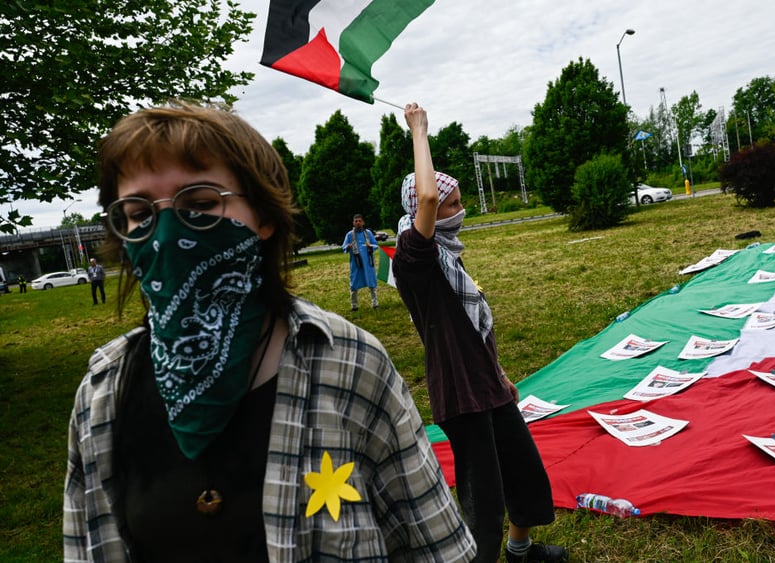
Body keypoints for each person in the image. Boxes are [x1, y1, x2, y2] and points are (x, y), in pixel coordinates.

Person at [63, 102, 476, 562]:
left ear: (263, 217)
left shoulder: (351, 364)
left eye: (200, 203)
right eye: (139, 213)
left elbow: (436, 548)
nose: (165, 234)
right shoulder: (102, 393)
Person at [392, 103, 567, 563]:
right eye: (453, 203)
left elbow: (473, 329)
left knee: (523, 471)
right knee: (483, 498)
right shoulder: (414, 256)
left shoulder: (449, 257)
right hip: (460, 392)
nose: (459, 208)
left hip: (486, 383)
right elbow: (426, 199)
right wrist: (419, 131)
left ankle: (521, 549)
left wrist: (500, 372)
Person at [342, 214, 379, 311]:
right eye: (356, 221)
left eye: (359, 221)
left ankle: (375, 303)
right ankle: (354, 305)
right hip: (356, 263)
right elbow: (344, 247)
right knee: (354, 283)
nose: (358, 223)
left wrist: (370, 246)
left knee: (372, 281)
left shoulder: (368, 233)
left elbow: (375, 245)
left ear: (363, 222)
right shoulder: (350, 235)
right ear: (353, 223)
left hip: (368, 262)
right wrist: (348, 247)